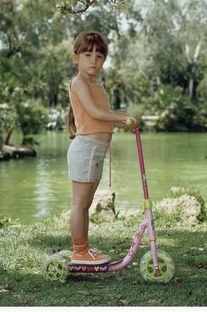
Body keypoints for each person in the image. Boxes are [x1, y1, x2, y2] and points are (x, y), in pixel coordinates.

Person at [66, 31, 138, 265]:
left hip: (95, 150)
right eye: (87, 54)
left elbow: (102, 119)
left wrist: (123, 124)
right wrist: (124, 115)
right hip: (86, 149)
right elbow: (96, 112)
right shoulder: (79, 83)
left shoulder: (96, 84)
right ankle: (79, 251)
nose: (94, 60)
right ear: (76, 57)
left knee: (86, 203)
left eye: (99, 55)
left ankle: (83, 249)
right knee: (80, 203)